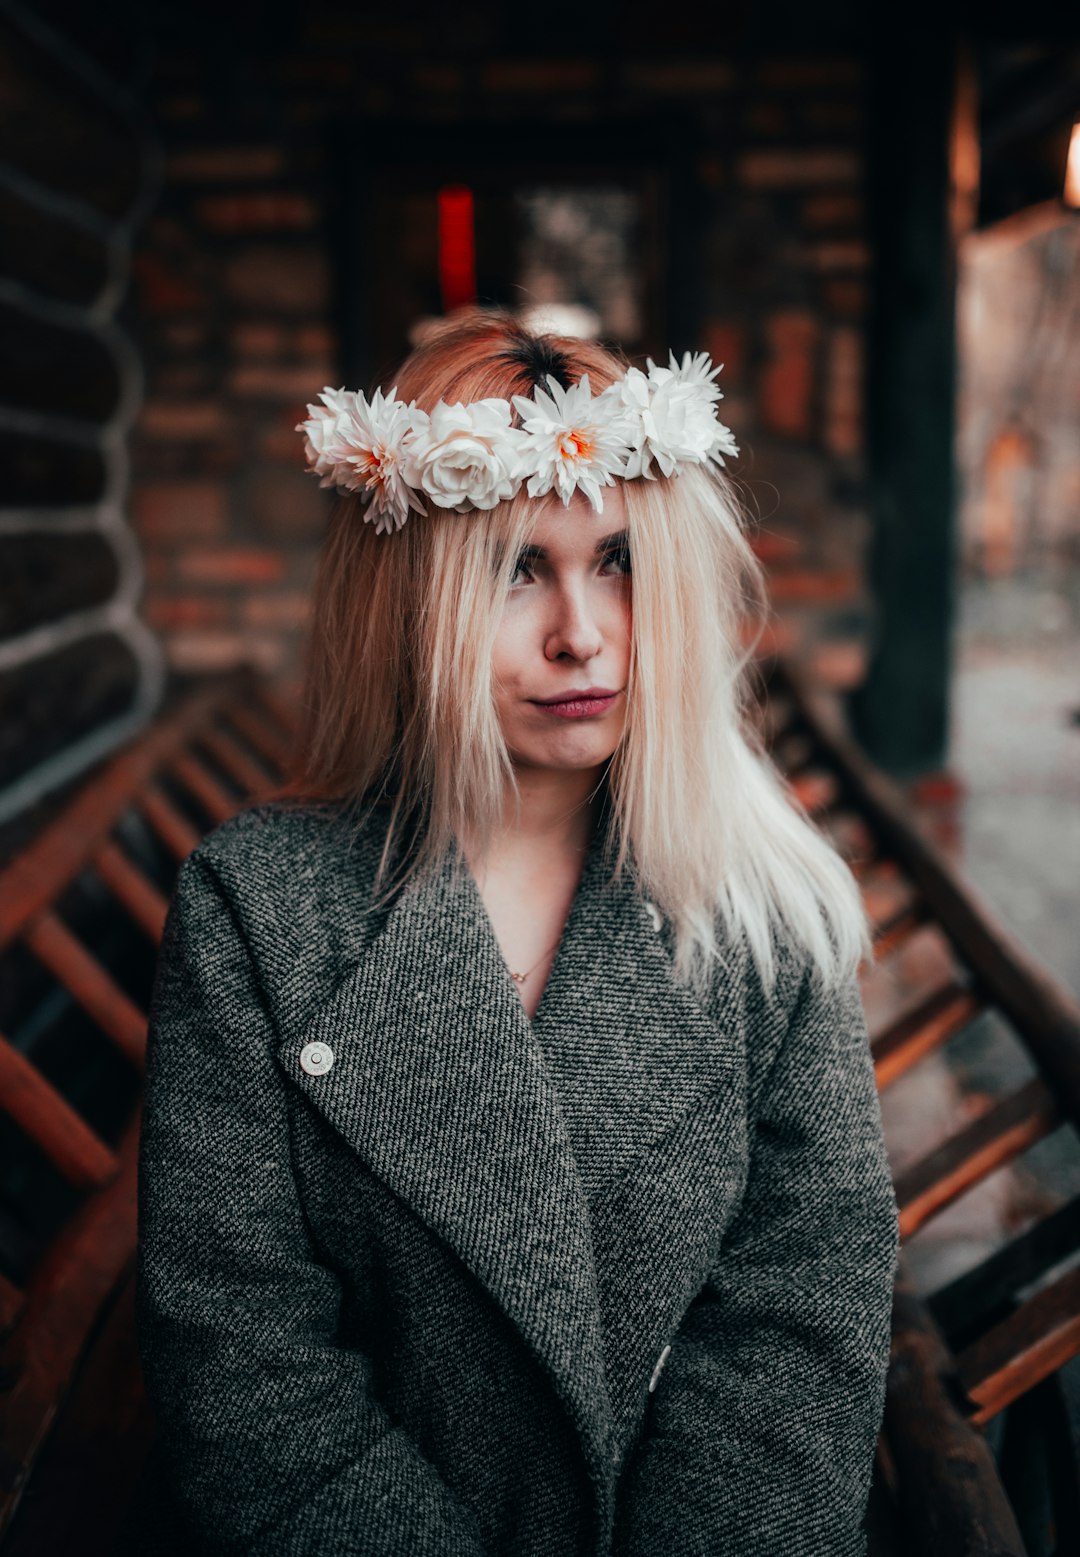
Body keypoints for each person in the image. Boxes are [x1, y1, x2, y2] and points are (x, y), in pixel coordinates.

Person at [132, 309, 900, 1557]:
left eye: (618, 564)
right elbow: (242, 1356)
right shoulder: (256, 911)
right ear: (410, 604)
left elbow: (801, 1311)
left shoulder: (761, 903)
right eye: (516, 570)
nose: (581, 635)